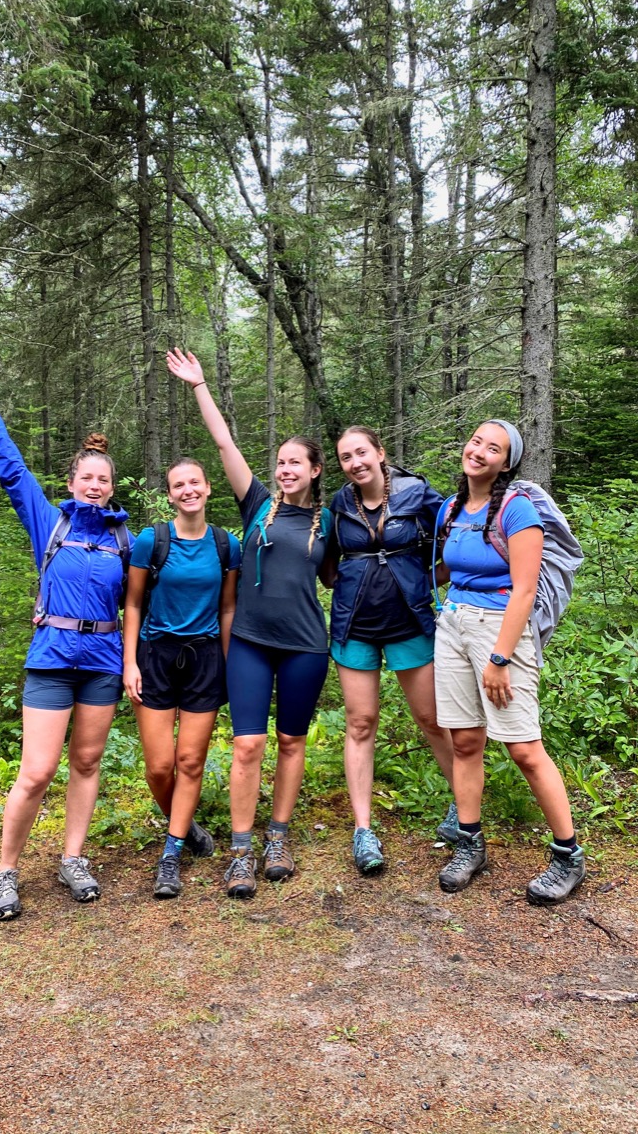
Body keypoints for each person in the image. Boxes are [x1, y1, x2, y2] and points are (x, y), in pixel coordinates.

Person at [0, 367, 133, 921]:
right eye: (87, 479)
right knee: (37, 771)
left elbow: (145, 602)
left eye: (103, 480)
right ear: (72, 482)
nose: (95, 486)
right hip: (51, 660)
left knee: (88, 760)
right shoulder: (49, 522)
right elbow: (11, 469)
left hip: (101, 664)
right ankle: (6, 870)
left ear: (111, 486)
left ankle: (73, 858)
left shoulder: (125, 540)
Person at [167, 348, 331, 899]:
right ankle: (241, 849)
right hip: (251, 644)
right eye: (280, 462)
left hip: (307, 644)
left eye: (295, 463)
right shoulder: (258, 505)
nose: (285, 469)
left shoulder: (330, 520)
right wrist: (198, 386)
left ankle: (277, 837)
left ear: (314, 471)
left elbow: (351, 567)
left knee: (290, 740)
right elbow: (224, 444)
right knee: (246, 745)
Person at [434, 419, 586, 903]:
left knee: (523, 748)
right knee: (464, 743)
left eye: (492, 448)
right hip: (453, 625)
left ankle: (568, 856)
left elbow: (524, 589)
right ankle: (470, 843)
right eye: (476, 441)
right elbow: (446, 570)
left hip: (501, 634)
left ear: (506, 462)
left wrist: (499, 657)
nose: (478, 451)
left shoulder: (518, 510)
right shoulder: (451, 508)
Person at [324, 426, 456, 875]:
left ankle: (465, 809)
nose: (355, 462)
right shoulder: (339, 505)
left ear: (380, 453)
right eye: (346, 457)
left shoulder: (418, 494)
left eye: (362, 452)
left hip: (410, 622)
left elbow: (456, 540)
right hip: (355, 625)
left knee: (432, 720)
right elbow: (325, 563)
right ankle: (363, 830)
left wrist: (429, 581)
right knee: (360, 723)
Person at [122, 457, 241, 899]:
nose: (188, 490)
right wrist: (129, 662)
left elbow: (227, 608)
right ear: (170, 495)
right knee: (158, 766)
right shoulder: (151, 541)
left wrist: (230, 665)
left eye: (195, 482)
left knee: (190, 762)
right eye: (178, 485)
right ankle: (186, 825)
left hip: (206, 657)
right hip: (155, 655)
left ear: (208, 488)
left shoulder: (227, 544)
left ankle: (171, 854)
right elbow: (132, 604)